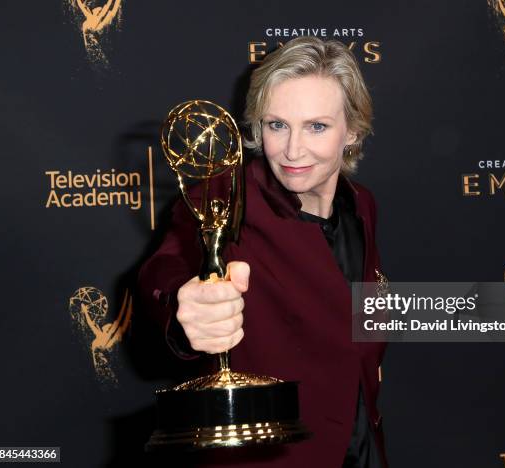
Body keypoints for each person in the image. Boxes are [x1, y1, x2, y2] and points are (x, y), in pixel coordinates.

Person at [139, 36, 388, 467]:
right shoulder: (222, 196)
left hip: (362, 446)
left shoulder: (361, 204)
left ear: (353, 131)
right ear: (256, 128)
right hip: (279, 455)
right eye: (277, 125)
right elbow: (165, 271)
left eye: (317, 127)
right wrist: (185, 307)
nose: (293, 150)